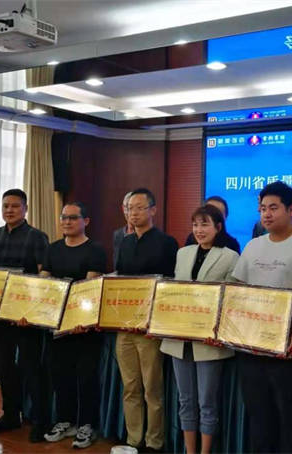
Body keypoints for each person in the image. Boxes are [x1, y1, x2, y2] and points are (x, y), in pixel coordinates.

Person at [232, 181, 292, 453]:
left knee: (291, 421)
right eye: (262, 208)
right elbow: (239, 292)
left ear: (291, 209)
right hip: (252, 348)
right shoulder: (253, 246)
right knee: (259, 418)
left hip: (288, 351)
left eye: (273, 208)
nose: (267, 214)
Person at [162, 205, 238, 454]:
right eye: (195, 224)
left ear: (218, 227)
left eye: (205, 224)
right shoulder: (183, 253)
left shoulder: (230, 256)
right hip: (179, 338)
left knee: (207, 402)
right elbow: (174, 292)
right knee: (185, 400)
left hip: (209, 341)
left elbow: (231, 299)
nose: (199, 229)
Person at [0, 189, 51, 442]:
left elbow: (44, 275)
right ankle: (10, 415)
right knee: (4, 367)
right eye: (5, 206)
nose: (9, 210)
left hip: (25, 316)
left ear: (25, 209)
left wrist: (30, 309)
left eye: (15, 206)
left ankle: (40, 421)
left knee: (31, 368)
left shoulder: (37, 237)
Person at [115, 187, 178, 452]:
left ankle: (154, 442)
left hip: (150, 327)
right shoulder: (125, 242)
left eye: (140, 208)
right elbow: (119, 281)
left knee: (152, 389)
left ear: (153, 210)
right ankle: (133, 439)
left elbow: (171, 286)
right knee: (130, 387)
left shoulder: (167, 243)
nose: (134, 213)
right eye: (130, 208)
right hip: (124, 326)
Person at [40, 202, 107, 449]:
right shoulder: (52, 249)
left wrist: (77, 318)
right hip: (56, 326)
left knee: (86, 377)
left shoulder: (95, 250)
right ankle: (65, 421)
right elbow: (45, 285)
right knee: (60, 375)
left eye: (73, 218)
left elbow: (89, 288)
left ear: (85, 221)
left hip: (83, 327)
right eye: (63, 217)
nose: (66, 222)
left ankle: (87, 425)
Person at [112, 191, 134, 270]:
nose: (130, 212)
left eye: (133, 208)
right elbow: (116, 266)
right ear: (122, 208)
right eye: (127, 208)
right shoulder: (118, 234)